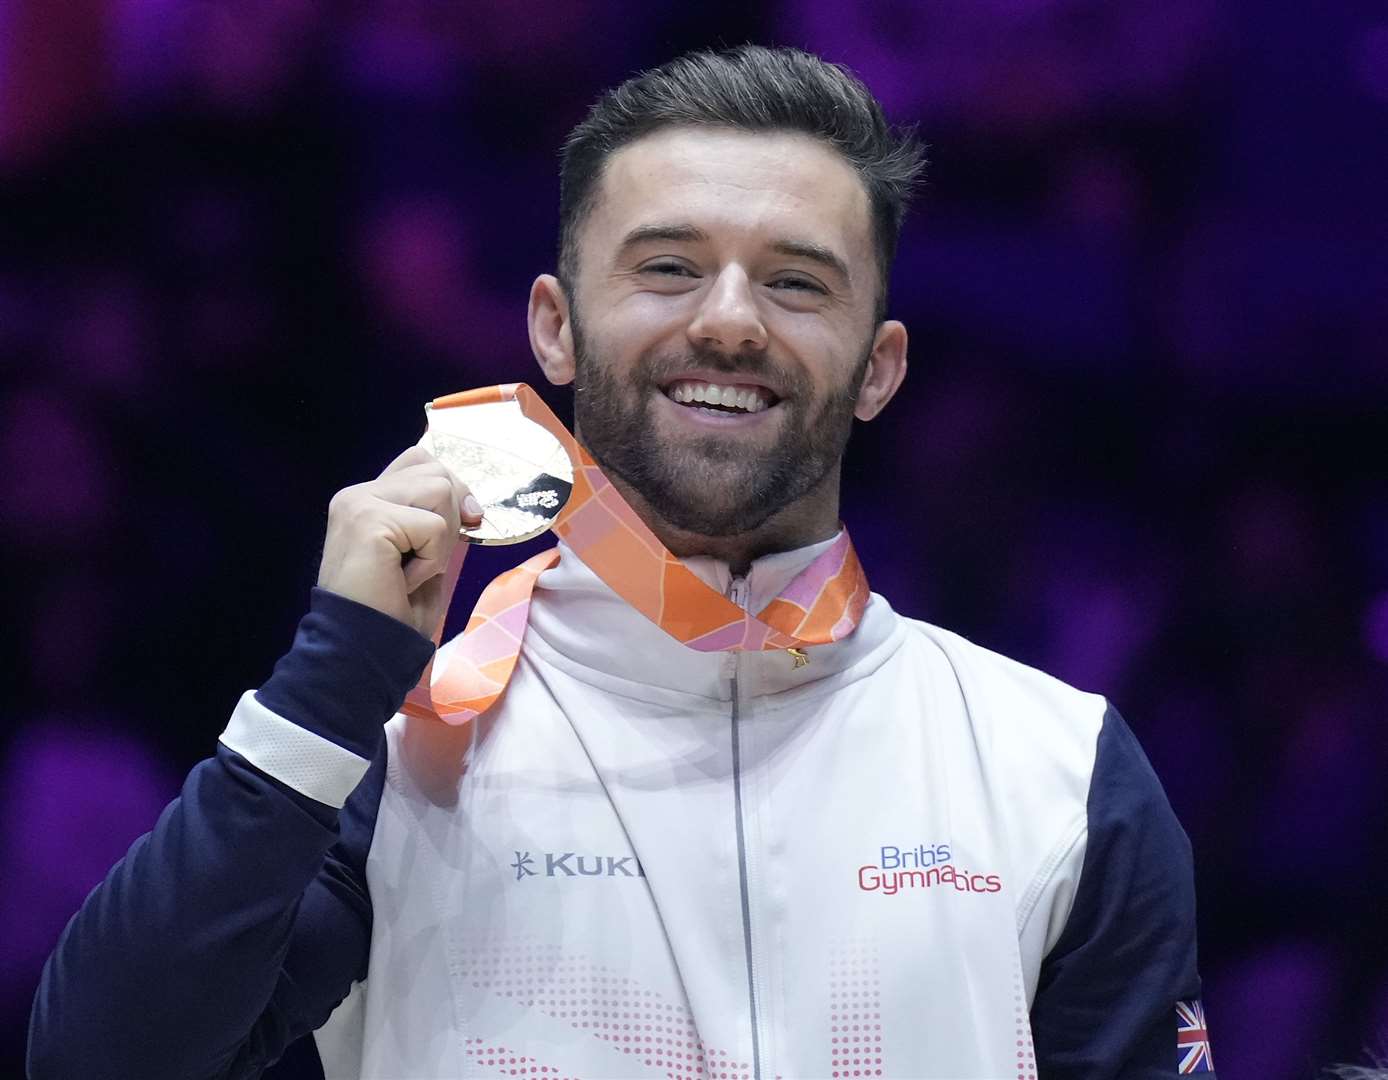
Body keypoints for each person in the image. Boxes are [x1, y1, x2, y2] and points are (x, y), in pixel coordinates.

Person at [28, 45, 1213, 1079]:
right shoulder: (398, 766)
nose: (730, 321)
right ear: (553, 326)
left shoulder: (1058, 770)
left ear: (877, 367)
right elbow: (96, 1062)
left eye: (797, 282)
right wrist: (332, 676)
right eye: (665, 267)